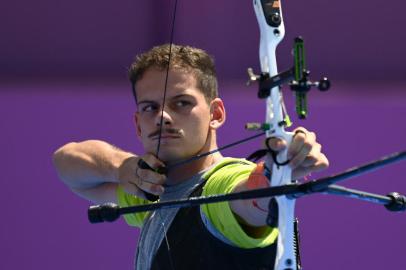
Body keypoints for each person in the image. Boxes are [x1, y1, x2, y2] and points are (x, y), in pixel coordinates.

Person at [53, 44, 329, 270]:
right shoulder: (151, 190)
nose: (162, 116)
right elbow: (66, 162)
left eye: (181, 103)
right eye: (150, 107)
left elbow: (250, 199)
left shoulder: (220, 183)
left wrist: (278, 166)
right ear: (138, 125)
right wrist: (122, 167)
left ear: (216, 114)